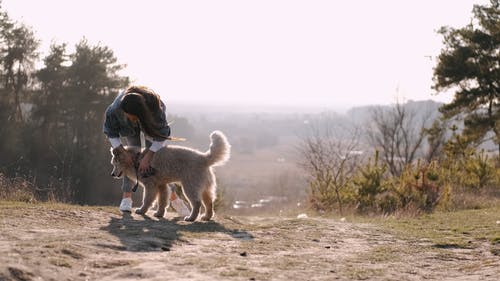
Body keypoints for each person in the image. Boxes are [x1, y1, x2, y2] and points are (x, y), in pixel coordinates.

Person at [103, 85, 190, 216]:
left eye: (133, 117)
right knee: (128, 161)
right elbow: (110, 132)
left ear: (141, 114)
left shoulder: (156, 108)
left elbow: (162, 135)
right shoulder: (114, 110)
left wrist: (148, 157)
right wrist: (123, 152)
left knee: (156, 166)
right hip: (128, 130)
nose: (131, 119)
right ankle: (126, 198)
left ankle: (174, 199)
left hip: (151, 128)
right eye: (128, 116)